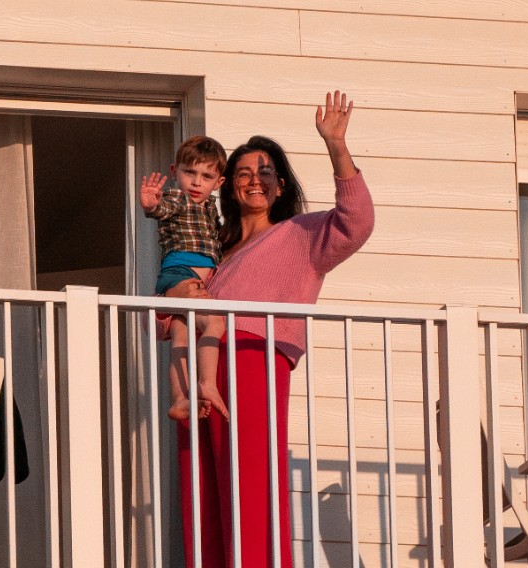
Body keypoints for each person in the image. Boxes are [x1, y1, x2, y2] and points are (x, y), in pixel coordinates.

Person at [168, 91, 373, 568]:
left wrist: (337, 147)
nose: (254, 181)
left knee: (250, 489)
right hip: (197, 367)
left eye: (265, 173)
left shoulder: (301, 235)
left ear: (280, 185)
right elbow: (168, 306)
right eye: (243, 173)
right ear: (228, 187)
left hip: (255, 361)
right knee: (201, 493)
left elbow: (357, 222)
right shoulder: (210, 248)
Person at [138, 135, 231, 423]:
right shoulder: (177, 198)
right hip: (180, 275)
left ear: (218, 182)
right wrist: (150, 205)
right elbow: (161, 210)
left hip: (188, 279)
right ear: (173, 171)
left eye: (206, 176)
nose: (195, 182)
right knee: (214, 322)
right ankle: (207, 382)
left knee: (182, 336)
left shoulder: (209, 207)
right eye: (189, 172)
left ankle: (180, 399)